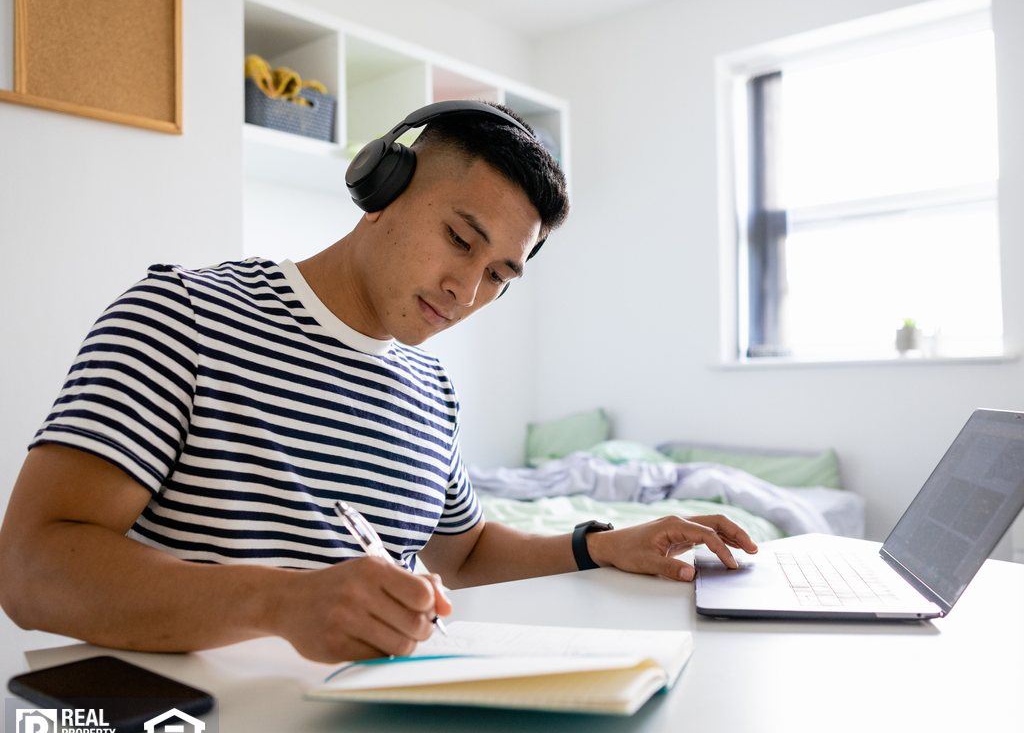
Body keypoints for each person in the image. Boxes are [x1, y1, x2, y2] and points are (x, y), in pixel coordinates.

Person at [0, 103, 757, 664]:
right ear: (382, 187)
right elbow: (30, 569)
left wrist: (600, 545)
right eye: (460, 239)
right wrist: (280, 601)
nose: (467, 289)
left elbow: (462, 553)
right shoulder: (183, 314)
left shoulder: (432, 388)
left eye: (499, 274)